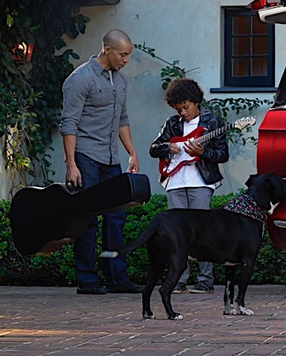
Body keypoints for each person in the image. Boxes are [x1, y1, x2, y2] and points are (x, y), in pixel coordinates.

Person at [60, 29, 141, 294]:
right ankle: (87, 280)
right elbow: (69, 123)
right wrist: (71, 164)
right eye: (123, 54)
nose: (126, 60)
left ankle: (117, 278)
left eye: (128, 55)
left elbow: (123, 119)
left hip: (111, 159)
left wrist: (131, 152)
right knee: (87, 218)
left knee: (115, 218)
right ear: (107, 50)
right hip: (86, 156)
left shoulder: (121, 81)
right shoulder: (79, 80)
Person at [147, 78, 230, 294]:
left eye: (186, 107)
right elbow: (153, 148)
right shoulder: (172, 124)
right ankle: (178, 278)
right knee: (176, 234)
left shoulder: (212, 123)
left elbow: (223, 154)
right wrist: (168, 147)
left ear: (196, 102)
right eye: (178, 109)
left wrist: (204, 153)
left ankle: (205, 280)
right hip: (175, 182)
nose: (183, 113)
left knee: (204, 232)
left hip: (200, 182)